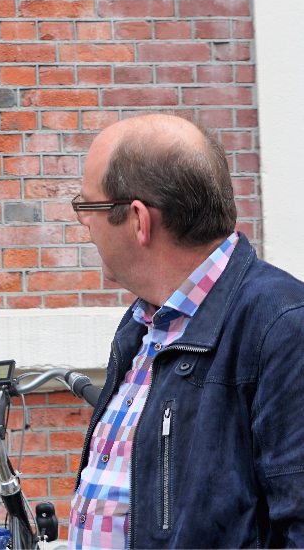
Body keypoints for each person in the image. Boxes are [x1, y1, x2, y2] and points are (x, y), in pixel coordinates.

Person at [68, 113, 304, 548]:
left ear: (138, 220)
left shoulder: (284, 327)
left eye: (88, 207)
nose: (84, 224)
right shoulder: (144, 324)